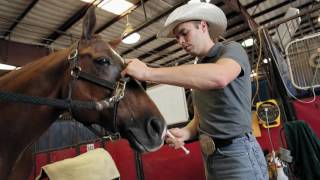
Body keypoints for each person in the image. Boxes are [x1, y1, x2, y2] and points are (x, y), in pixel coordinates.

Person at [121, 2, 268, 180]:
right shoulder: (198, 69)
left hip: (239, 154)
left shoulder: (231, 50)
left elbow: (220, 77)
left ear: (203, 26)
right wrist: (185, 133)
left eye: (184, 33)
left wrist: (148, 72)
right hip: (211, 157)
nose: (181, 42)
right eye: (177, 38)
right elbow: (199, 119)